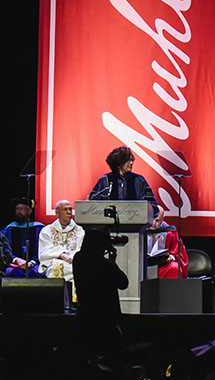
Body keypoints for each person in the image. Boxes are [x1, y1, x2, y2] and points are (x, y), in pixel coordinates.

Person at [73, 227, 129, 355]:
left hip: (84, 313)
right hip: (105, 316)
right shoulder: (105, 265)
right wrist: (112, 262)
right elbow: (123, 283)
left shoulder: (78, 259)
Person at [89, 145, 159, 218]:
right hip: (109, 225)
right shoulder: (105, 180)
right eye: (128, 160)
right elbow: (92, 204)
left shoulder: (138, 180)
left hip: (136, 224)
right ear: (119, 163)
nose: (131, 163)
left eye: (132, 160)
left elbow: (152, 205)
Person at [39, 199, 85, 283]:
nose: (69, 212)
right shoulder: (47, 231)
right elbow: (44, 252)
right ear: (57, 213)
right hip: (53, 263)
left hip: (73, 263)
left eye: (70, 209)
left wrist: (72, 258)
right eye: (65, 209)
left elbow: (81, 250)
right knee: (54, 269)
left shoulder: (79, 230)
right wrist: (61, 255)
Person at [2, 197, 42, 277]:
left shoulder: (39, 229)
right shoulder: (8, 230)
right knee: (13, 273)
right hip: (14, 264)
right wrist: (16, 260)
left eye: (22, 208)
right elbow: (5, 250)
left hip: (34, 264)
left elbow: (42, 249)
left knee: (34, 273)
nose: (19, 211)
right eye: (17, 209)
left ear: (29, 211)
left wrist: (32, 262)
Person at [146, 208, 188, 278]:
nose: (153, 223)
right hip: (143, 264)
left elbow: (179, 253)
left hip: (162, 267)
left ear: (162, 219)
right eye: (151, 219)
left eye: (157, 220)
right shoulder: (140, 231)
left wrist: (171, 257)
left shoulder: (170, 232)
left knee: (175, 268)